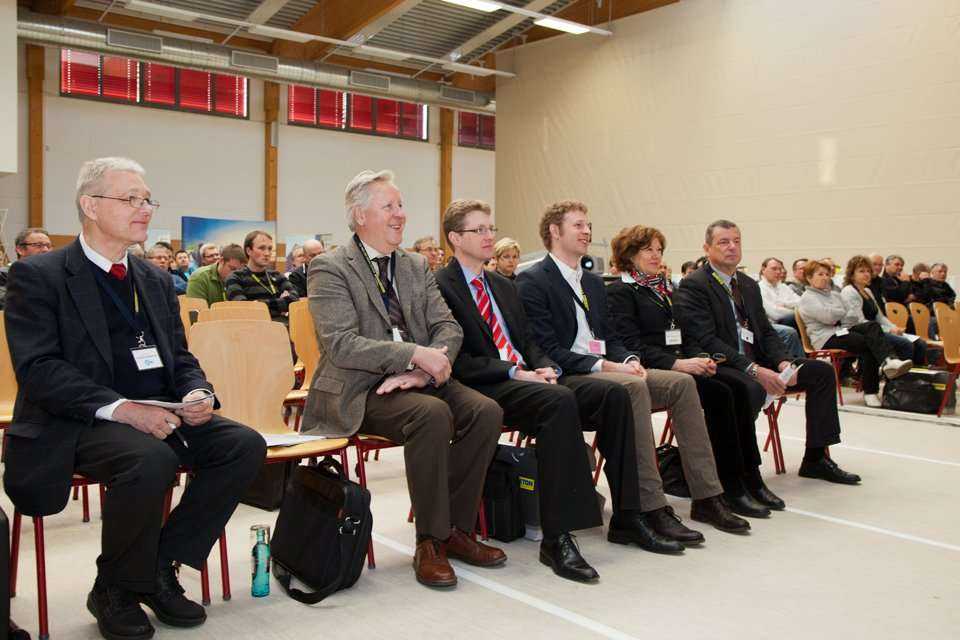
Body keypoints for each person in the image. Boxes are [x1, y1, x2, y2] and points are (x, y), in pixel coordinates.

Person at [2, 157, 266, 640]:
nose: (144, 209)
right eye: (131, 199)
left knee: (244, 445)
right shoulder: (39, 275)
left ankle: (159, 567)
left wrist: (195, 391)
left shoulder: (154, 279)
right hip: (80, 419)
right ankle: (116, 589)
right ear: (90, 206)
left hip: (162, 411)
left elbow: (178, 356)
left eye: (147, 199)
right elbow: (39, 371)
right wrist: (124, 409)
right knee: (148, 459)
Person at [439, 200, 664, 581]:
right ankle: (558, 537)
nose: (490, 236)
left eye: (491, 228)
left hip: (526, 379)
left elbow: (528, 340)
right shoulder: (442, 286)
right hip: (483, 384)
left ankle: (629, 515)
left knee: (615, 395)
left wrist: (546, 366)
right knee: (559, 401)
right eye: (480, 230)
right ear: (455, 239)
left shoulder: (500, 284)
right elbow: (456, 359)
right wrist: (514, 371)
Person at [300, 171, 505, 588]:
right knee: (430, 415)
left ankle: (456, 530)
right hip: (360, 388)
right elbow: (340, 344)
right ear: (360, 215)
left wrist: (418, 369)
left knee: (485, 411)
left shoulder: (413, 264)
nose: (401, 215)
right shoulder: (330, 267)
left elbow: (447, 326)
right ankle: (430, 540)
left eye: (401, 205)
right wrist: (412, 354)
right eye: (389, 206)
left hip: (417, 379)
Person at [518, 201, 747, 541]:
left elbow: (611, 337)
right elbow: (546, 349)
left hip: (608, 369)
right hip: (570, 374)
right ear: (554, 231)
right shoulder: (533, 280)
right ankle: (651, 505)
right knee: (633, 388)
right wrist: (605, 365)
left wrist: (627, 360)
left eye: (588, 225)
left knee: (682, 383)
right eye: (579, 225)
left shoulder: (593, 283)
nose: (587, 231)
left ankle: (707, 495)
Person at [607, 225, 782, 517]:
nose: (656, 255)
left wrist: (699, 358)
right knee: (719, 394)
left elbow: (683, 333)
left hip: (682, 362)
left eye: (659, 249)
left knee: (737, 385)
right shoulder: (620, 292)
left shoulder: (663, 288)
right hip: (649, 368)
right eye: (647, 249)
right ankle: (729, 484)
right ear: (629, 255)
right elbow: (630, 345)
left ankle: (749, 475)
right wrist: (678, 364)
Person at [673, 220, 862, 485]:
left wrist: (783, 362)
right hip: (722, 364)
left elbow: (766, 331)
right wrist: (754, 370)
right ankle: (743, 472)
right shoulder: (695, 285)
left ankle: (816, 458)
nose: (732, 248)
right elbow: (706, 340)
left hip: (757, 361)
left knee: (821, 372)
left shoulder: (748, 285)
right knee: (747, 387)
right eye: (723, 242)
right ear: (707, 248)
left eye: (737, 241)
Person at [799, 259, 913, 408]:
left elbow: (850, 316)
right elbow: (828, 318)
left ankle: (889, 361)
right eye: (820, 274)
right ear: (809, 277)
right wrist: (839, 312)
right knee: (867, 344)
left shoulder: (834, 294)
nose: (825, 277)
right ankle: (871, 390)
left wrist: (838, 313)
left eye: (827, 274)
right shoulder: (807, 298)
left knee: (871, 326)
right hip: (825, 337)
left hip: (841, 330)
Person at [841, 255, 927, 373]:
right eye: (861, 271)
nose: (866, 274)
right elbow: (860, 322)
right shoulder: (849, 291)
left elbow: (880, 316)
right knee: (905, 344)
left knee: (919, 343)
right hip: (860, 331)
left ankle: (917, 378)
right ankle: (897, 383)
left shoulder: (867, 291)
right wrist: (888, 330)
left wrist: (894, 328)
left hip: (876, 329)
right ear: (851, 274)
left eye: (868, 271)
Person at [225, 231, 299, 322]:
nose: (267, 253)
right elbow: (245, 309)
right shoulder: (235, 278)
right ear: (249, 251)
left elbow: (294, 300)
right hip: (253, 330)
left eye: (270, 248)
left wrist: (260, 304)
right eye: (262, 248)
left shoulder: (278, 275)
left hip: (282, 329)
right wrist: (280, 303)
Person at [757, 257, 804, 358]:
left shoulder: (783, 286)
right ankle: (797, 363)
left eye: (780, 269)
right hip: (770, 325)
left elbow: (801, 303)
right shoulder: (760, 288)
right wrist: (793, 308)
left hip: (788, 321)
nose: (778, 272)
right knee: (793, 322)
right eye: (774, 269)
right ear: (763, 270)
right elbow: (775, 314)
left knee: (805, 320)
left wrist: (784, 304)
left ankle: (805, 360)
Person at [0, 227, 54, 308]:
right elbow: (6, 303)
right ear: (20, 250)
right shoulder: (4, 274)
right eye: (38, 245)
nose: (46, 250)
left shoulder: (55, 277)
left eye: (48, 246)